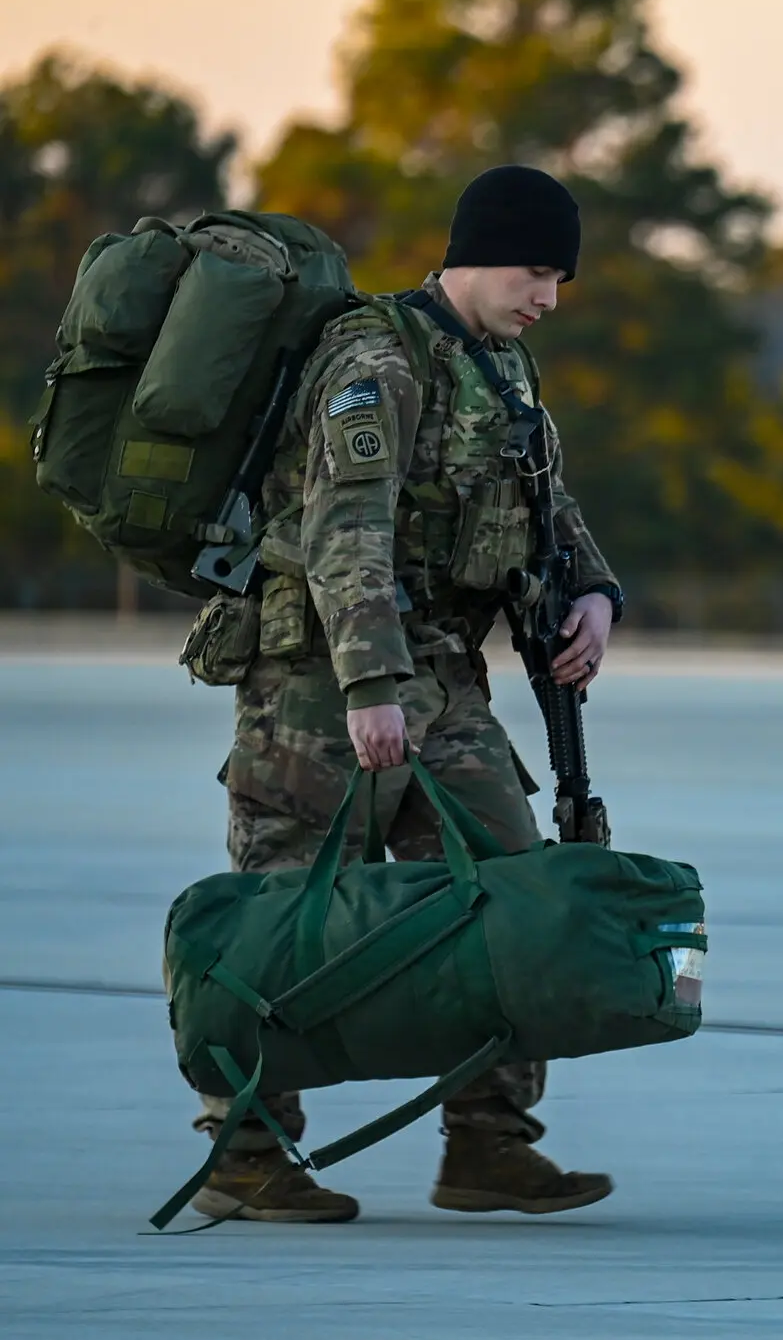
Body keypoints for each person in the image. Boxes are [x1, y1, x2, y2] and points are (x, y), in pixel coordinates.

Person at [186, 164, 627, 1223]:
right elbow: (348, 527)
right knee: (287, 911)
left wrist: (599, 593)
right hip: (319, 678)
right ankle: (243, 1150)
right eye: (534, 272)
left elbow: (542, 494)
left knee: (507, 892)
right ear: (475, 255)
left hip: (442, 673)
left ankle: (487, 1143)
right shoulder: (375, 359)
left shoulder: (501, 366)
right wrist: (369, 683)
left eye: (559, 279)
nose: (547, 298)